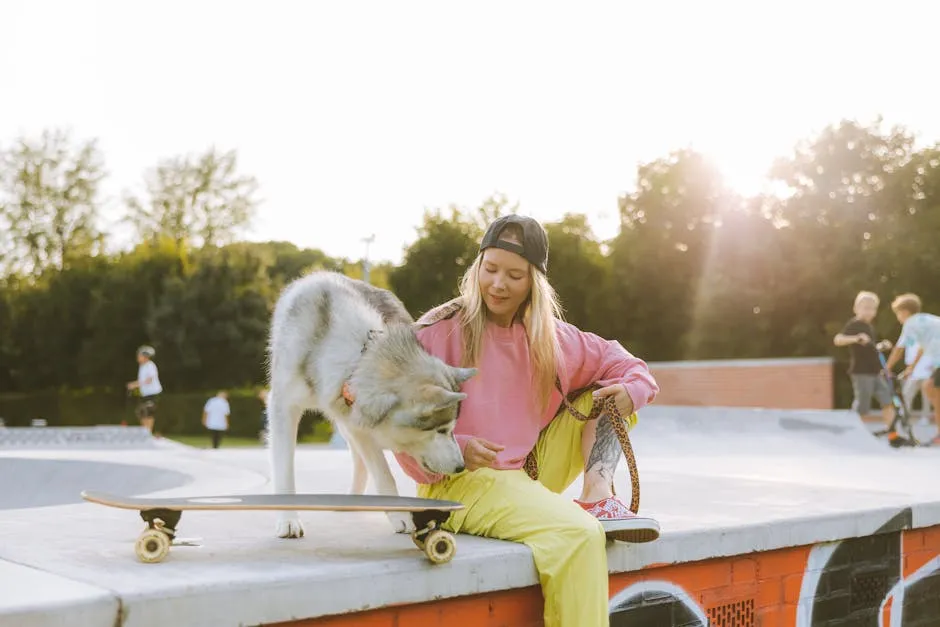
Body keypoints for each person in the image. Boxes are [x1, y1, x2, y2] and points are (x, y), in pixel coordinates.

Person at [393, 214, 660, 627]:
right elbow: (399, 422)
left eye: (514, 275)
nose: (498, 284)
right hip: (454, 485)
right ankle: (584, 523)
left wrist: (635, 389)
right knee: (578, 535)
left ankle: (597, 496)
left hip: (521, 473)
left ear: (533, 281)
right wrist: (457, 447)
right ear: (477, 267)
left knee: (609, 394)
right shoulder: (440, 330)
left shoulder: (549, 338)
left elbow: (624, 362)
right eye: (490, 269)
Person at [832, 291, 898, 439]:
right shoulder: (854, 324)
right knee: (862, 406)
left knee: (887, 400)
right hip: (861, 372)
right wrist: (856, 338)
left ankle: (893, 434)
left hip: (875, 371)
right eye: (865, 307)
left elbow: (870, 348)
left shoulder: (869, 327)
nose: (869, 311)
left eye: (872, 308)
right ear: (856, 308)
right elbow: (838, 339)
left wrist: (881, 345)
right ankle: (853, 433)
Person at [885, 293, 940, 445]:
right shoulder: (927, 320)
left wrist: (886, 367)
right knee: (931, 388)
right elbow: (922, 348)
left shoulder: (910, 323)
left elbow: (899, 348)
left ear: (904, 312)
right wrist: (911, 368)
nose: (898, 317)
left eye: (898, 314)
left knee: (930, 387)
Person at [126, 345, 162, 434]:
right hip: (145, 394)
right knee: (141, 412)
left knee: (148, 411)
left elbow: (149, 380)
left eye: (139, 356)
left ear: (146, 357)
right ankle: (145, 431)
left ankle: (148, 432)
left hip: (153, 393)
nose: (138, 357)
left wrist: (135, 385)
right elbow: (142, 380)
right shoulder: (142, 366)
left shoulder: (150, 365)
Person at [901, 341, 933, 422]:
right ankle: (905, 415)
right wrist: (908, 369)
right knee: (906, 394)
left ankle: (925, 417)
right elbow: (908, 359)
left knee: (926, 397)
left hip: (927, 373)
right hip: (913, 374)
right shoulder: (910, 342)